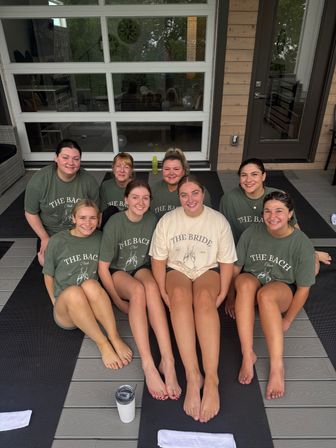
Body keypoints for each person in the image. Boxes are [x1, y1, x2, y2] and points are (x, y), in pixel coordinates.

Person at [150, 175, 237, 423]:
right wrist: (163, 291)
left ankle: (211, 379)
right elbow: (158, 260)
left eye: (195, 193)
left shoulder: (218, 221)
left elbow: (226, 260)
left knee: (204, 300)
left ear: (203, 193)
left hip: (207, 270)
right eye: (184, 195)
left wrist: (222, 291)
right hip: (176, 269)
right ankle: (192, 375)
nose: (190, 199)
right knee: (179, 297)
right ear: (178, 197)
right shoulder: (168, 220)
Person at [98, 179, 181, 401]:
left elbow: (158, 256)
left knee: (151, 287)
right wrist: (116, 300)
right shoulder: (115, 223)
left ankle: (168, 360)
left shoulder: (153, 220)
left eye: (145, 198)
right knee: (138, 291)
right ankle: (148, 364)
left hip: (141, 267)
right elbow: (103, 267)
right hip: (118, 272)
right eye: (135, 197)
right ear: (126, 199)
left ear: (150, 201)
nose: (140, 202)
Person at [219, 158, 331, 316]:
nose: (249, 179)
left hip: (276, 248)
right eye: (244, 175)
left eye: (254, 174)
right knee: (242, 286)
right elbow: (223, 231)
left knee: (312, 268)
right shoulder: (229, 199)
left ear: (264, 176)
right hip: (245, 251)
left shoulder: (276, 196)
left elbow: (294, 229)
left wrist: (309, 251)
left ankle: (311, 257)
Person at [233, 191, 315, 400]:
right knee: (242, 282)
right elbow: (236, 267)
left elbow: (304, 287)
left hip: (281, 290)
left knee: (266, 295)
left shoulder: (301, 242)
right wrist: (230, 297)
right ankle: (247, 353)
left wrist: (287, 319)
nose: (272, 216)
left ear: (290, 214)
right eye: (268, 211)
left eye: (279, 211)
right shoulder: (252, 232)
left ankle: (277, 367)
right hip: (253, 281)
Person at [43, 199, 132, 370]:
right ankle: (103, 344)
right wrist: (54, 301)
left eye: (92, 218)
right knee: (74, 291)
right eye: (82, 218)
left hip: (91, 306)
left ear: (99, 219)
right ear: (73, 218)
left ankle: (114, 337)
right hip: (67, 309)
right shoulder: (57, 241)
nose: (87, 223)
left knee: (90, 283)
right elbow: (48, 275)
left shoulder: (101, 238)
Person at [24, 139, 99, 266]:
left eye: (76, 158)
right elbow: (30, 212)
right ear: (56, 158)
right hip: (51, 233)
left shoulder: (88, 181)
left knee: (88, 262)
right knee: (49, 263)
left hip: (80, 231)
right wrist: (44, 238)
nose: (71, 162)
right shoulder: (39, 181)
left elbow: (97, 212)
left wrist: (88, 235)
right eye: (65, 157)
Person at [150, 148, 212, 219]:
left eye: (176, 169)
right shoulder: (153, 190)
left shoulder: (198, 191)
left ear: (184, 171)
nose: (171, 173)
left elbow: (208, 217)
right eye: (167, 169)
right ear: (162, 170)